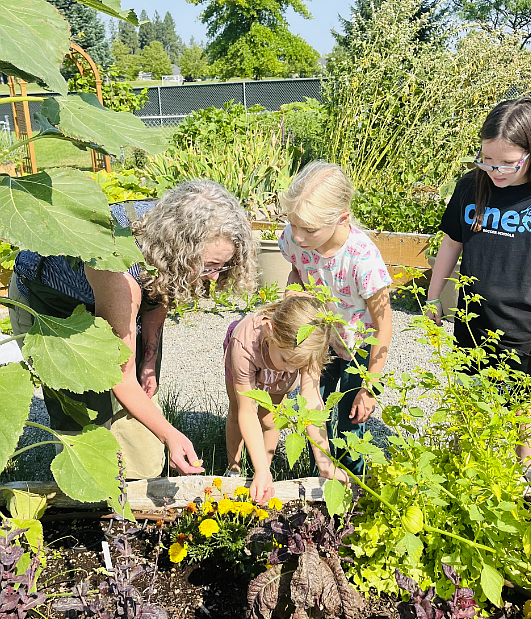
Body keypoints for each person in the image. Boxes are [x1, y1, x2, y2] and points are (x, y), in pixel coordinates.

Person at [9, 180, 256, 480]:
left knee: (142, 449)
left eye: (223, 266)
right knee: (86, 421)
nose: (215, 276)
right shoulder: (118, 272)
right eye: (209, 265)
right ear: (182, 251)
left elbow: (164, 288)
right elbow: (120, 376)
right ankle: (90, 493)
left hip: (117, 300)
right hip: (53, 308)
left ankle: (134, 482)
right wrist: (171, 436)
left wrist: (148, 359)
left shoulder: (167, 227)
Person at [426, 97, 531, 466]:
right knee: (468, 404)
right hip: (472, 320)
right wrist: (433, 295)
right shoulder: (472, 186)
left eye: (508, 163)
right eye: (487, 160)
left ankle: (523, 482)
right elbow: (452, 242)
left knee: (520, 411)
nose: (496, 171)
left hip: (523, 326)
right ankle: (465, 471)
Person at [278, 161, 392, 476]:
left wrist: (369, 387)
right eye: (293, 224)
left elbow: (384, 326)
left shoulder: (362, 259)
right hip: (320, 341)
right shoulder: (294, 238)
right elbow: (296, 272)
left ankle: (353, 486)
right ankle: (324, 482)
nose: (298, 237)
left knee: (349, 422)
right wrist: (292, 295)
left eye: (308, 229)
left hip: (358, 349)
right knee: (316, 411)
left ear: (342, 217)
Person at [224, 295, 350, 503]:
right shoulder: (244, 342)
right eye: (288, 361)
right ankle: (233, 468)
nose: (292, 371)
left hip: (274, 362)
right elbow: (247, 410)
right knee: (237, 413)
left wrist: (325, 462)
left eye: (297, 366)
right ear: (270, 330)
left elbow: (310, 400)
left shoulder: (307, 346)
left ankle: (264, 470)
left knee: (270, 419)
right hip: (247, 361)